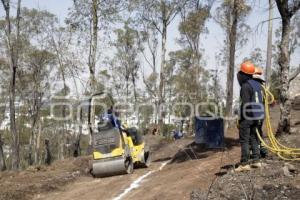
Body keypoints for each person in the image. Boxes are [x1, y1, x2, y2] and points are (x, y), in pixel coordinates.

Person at [234, 61, 264, 172]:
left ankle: (244, 163)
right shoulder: (258, 85)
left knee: (244, 140)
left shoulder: (246, 86)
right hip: (257, 116)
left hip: (247, 117)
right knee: (254, 138)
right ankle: (256, 161)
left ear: (243, 74)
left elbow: (245, 104)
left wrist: (240, 118)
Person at [253, 67, 268, 158]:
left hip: (255, 113)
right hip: (261, 113)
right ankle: (262, 150)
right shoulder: (262, 87)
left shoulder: (254, 87)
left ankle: (256, 152)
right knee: (258, 131)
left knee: (254, 132)